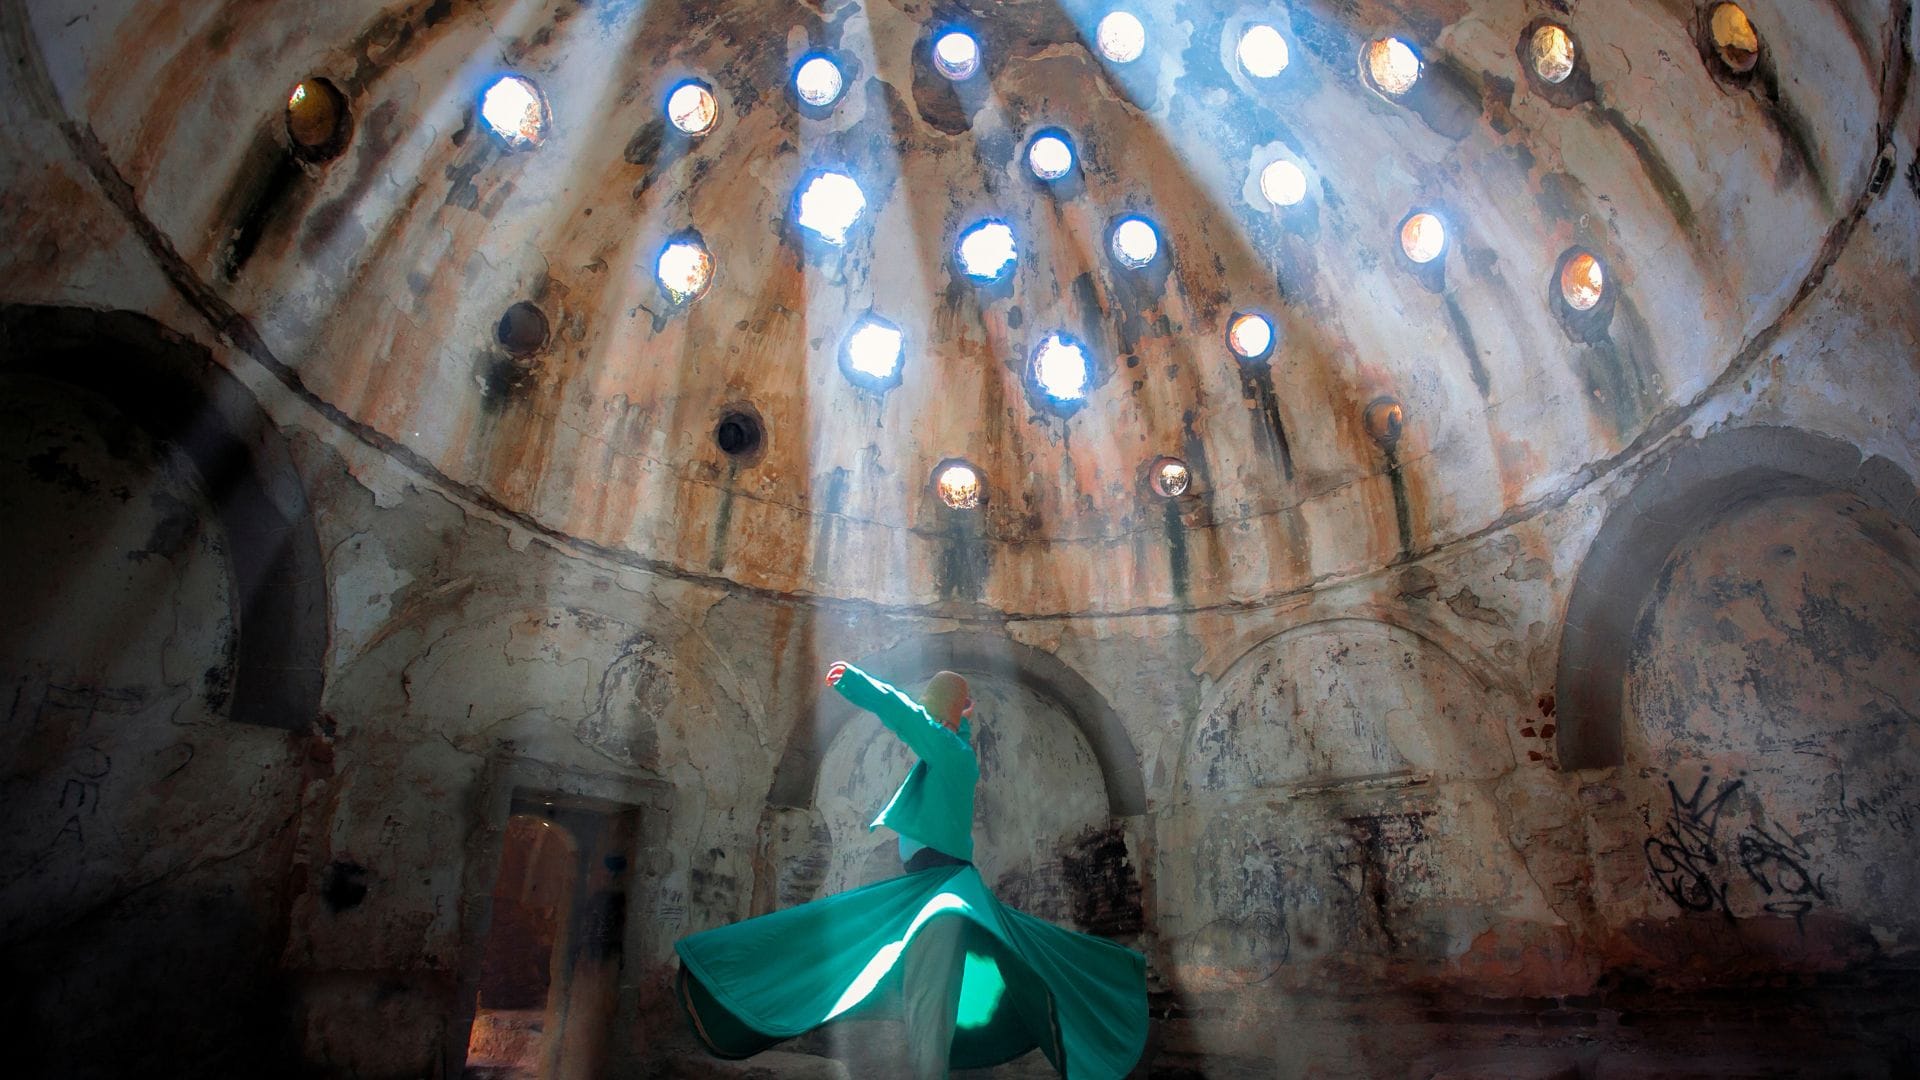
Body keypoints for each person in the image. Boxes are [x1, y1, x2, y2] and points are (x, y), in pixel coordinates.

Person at [674, 661, 1147, 1079]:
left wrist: (856, 684)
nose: (926, 719)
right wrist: (960, 719)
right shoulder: (952, 753)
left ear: (937, 716)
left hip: (942, 889)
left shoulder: (949, 752)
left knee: (928, 997)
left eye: (932, 712)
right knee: (922, 991)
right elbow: (936, 731)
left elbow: (903, 715)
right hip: (929, 888)